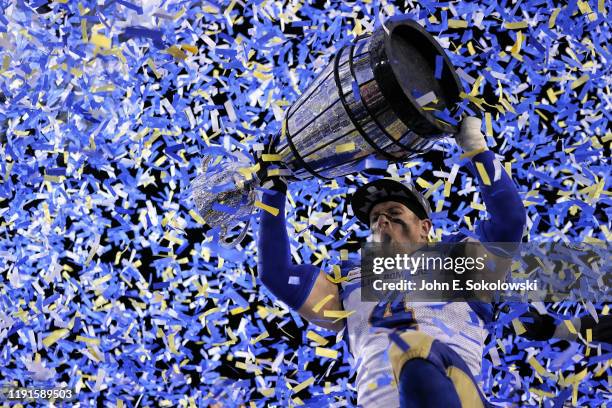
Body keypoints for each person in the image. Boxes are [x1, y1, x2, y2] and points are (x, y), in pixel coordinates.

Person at [255, 116, 607, 407]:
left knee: (414, 351)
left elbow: (509, 222)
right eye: (374, 217)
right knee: (411, 353)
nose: (382, 220)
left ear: (425, 228)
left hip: (453, 389)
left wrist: (474, 148)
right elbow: (275, 273)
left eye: (393, 211)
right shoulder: (348, 281)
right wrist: (273, 195)